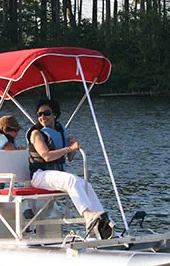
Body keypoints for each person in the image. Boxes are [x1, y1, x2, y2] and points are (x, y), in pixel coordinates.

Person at [27, 98, 114, 239]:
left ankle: (103, 225)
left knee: (86, 185)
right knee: (72, 180)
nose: (42, 117)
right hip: (39, 175)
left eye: (46, 113)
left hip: (55, 175)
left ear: (55, 114)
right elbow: (46, 156)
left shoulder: (60, 130)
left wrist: (73, 146)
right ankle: (87, 215)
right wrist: (69, 148)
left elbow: (70, 158)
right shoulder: (36, 133)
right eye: (39, 114)